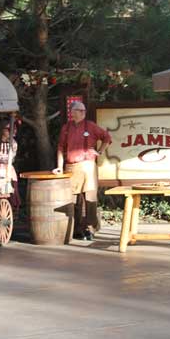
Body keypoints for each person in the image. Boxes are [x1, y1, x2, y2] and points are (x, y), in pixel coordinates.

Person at [53, 101, 111, 240]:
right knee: (74, 201)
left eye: (84, 110)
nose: (83, 113)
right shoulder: (66, 128)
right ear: (72, 112)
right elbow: (61, 147)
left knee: (90, 198)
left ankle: (90, 229)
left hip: (88, 166)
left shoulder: (90, 126)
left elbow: (107, 137)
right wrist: (60, 167)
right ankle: (76, 230)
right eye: (80, 110)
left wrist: (100, 152)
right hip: (71, 167)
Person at [0, 119, 20, 210]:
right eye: (9, 129)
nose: (13, 131)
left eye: (14, 129)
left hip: (8, 168)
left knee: (11, 187)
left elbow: (10, 157)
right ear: (2, 130)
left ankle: (11, 209)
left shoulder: (13, 143)